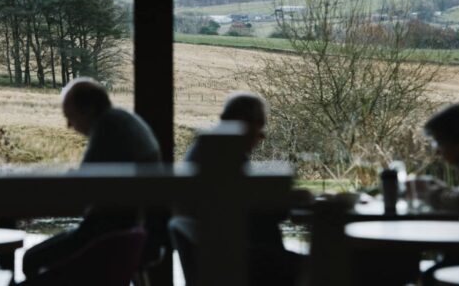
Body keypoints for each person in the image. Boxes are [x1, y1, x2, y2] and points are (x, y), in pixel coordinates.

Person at [22, 77, 161, 279]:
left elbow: (81, 187)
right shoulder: (123, 121)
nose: (69, 125)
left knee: (31, 259)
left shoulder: (108, 128)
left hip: (108, 237)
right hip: (133, 235)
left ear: (87, 110)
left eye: (70, 117)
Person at [180, 91, 307, 286]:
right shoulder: (224, 151)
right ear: (244, 122)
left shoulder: (208, 147)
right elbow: (256, 212)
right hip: (237, 264)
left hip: (221, 257)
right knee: (323, 264)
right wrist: (289, 198)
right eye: (260, 124)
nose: (262, 136)